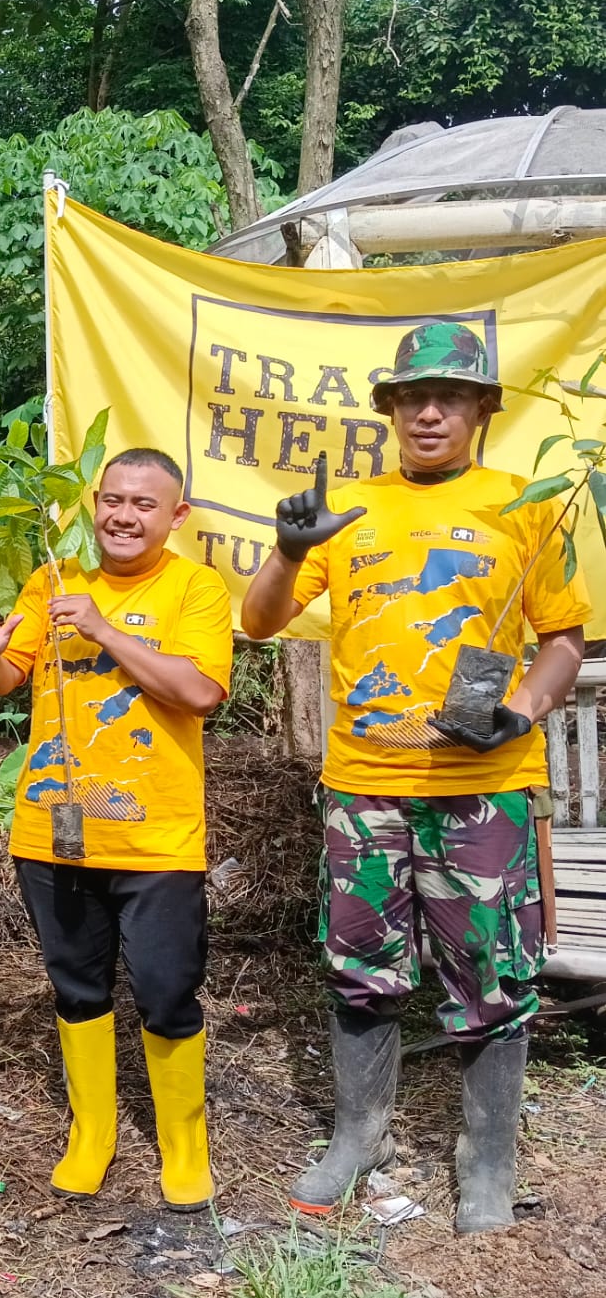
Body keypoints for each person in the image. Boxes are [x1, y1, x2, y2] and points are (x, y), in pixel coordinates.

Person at [240, 322, 589, 1233]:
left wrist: (525, 709)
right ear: (390, 409)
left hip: (482, 785)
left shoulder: (524, 504)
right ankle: (361, 1135)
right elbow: (260, 621)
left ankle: (486, 1160)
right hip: (364, 787)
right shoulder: (350, 509)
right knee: (360, 965)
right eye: (411, 398)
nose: (428, 412)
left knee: (491, 973)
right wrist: (286, 551)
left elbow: (562, 638)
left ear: (481, 408)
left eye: (449, 396)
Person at [0, 449, 232, 1210]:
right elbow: (7, 676)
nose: (122, 515)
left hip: (156, 838)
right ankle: (92, 1134)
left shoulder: (195, 587)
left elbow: (199, 690)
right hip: (54, 829)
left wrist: (104, 628)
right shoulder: (53, 577)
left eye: (143, 504)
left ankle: (184, 1145)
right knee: (76, 986)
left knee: (166, 991)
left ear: (175, 515)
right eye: (111, 499)